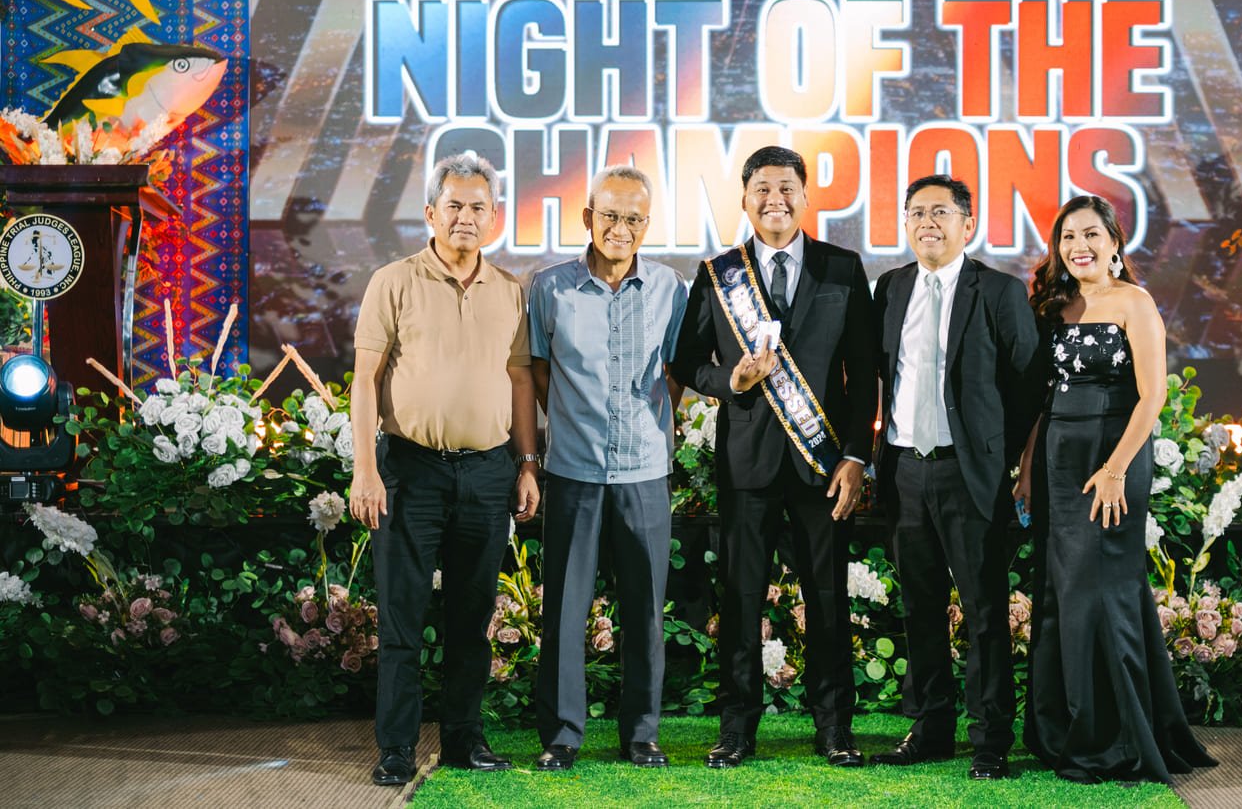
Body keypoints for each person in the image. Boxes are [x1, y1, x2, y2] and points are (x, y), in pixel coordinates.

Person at [671, 145, 878, 769]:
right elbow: (687, 363)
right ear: (744, 199)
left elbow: (864, 370)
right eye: (762, 188)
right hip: (748, 463)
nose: (775, 200)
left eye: (787, 187)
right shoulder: (718, 275)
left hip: (823, 465)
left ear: (806, 196)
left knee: (827, 597)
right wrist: (729, 382)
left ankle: (834, 726)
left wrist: (856, 455)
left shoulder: (843, 268)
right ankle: (736, 727)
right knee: (740, 597)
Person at [348, 151, 541, 787]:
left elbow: (520, 382)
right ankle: (396, 748)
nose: (465, 216)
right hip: (409, 471)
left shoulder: (510, 291)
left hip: (487, 473)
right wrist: (366, 471)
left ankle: (464, 739)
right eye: (454, 205)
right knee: (402, 620)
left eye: (478, 207)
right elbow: (365, 381)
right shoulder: (393, 281)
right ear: (431, 213)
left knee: (471, 620)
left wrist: (526, 465)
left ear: (496, 218)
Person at [1016, 194, 1216, 785]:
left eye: (1090, 235)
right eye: (1068, 237)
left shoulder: (1135, 301)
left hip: (1113, 457)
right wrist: (1026, 467)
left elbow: (1153, 395)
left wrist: (1114, 469)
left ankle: (1115, 739)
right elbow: (1044, 396)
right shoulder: (1054, 305)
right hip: (1057, 457)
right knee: (1060, 591)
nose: (1078, 246)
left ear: (1113, 242)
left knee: (1102, 591)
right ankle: (1061, 729)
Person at [870, 175, 1039, 781]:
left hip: (970, 477)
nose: (927, 223)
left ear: (969, 224)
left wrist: (998, 458)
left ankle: (991, 737)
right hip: (904, 472)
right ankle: (931, 726)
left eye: (940, 212)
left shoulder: (999, 291)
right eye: (916, 212)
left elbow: (1027, 385)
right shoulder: (891, 287)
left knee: (984, 610)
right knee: (919, 607)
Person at [526, 166, 688, 772]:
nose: (621, 228)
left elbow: (676, 372)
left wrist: (654, 423)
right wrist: (574, 422)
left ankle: (641, 734)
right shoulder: (549, 287)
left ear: (648, 224)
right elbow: (539, 370)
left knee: (644, 612)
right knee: (565, 611)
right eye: (611, 215)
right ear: (588, 218)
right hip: (574, 470)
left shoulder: (672, 287)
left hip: (645, 472)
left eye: (634, 218)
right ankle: (562, 735)